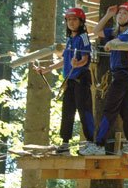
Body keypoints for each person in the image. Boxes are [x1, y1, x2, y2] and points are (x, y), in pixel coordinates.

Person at [80, 3, 128, 156]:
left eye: (124, 14)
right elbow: (96, 31)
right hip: (120, 76)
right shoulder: (114, 31)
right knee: (127, 110)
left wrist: (111, 43)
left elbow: (118, 42)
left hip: (123, 75)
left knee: (110, 109)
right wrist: (108, 15)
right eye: (119, 13)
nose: (120, 16)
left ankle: (99, 144)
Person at [34, 8, 95, 155]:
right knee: (67, 111)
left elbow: (86, 59)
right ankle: (65, 143)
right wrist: (47, 69)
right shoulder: (69, 40)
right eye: (69, 20)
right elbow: (65, 60)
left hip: (81, 79)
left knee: (84, 110)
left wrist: (78, 64)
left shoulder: (84, 37)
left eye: (74, 19)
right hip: (70, 81)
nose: (71, 23)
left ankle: (92, 142)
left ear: (81, 22)